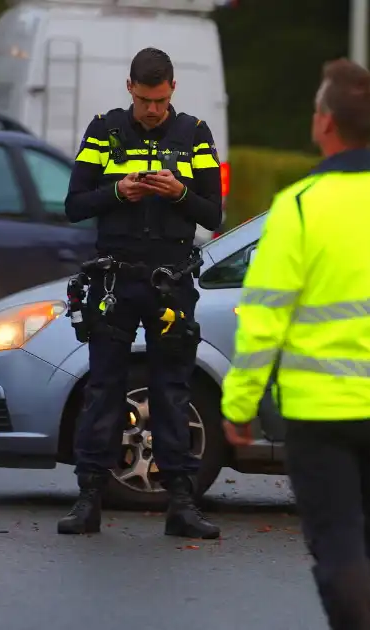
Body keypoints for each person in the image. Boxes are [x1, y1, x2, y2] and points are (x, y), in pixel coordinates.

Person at [220, 58, 370, 630]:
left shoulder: (299, 206)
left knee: (339, 542)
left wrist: (239, 405)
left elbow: (263, 319)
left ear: (324, 122)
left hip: (318, 412)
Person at [57, 47, 223, 539]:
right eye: (145, 99)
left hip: (170, 281)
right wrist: (116, 192)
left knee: (172, 390)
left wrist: (178, 194)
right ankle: (89, 499)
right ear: (129, 87)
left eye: (161, 98)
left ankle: (181, 504)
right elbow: (73, 205)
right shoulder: (104, 131)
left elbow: (213, 214)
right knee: (103, 388)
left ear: (173, 88)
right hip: (114, 279)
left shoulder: (194, 134)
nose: (153, 109)